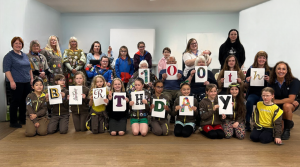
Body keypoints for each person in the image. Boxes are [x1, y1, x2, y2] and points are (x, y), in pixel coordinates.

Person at [3, 37, 33, 128]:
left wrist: (31, 79)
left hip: (26, 82)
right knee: (15, 101)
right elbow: (6, 70)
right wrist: (12, 81)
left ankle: (23, 119)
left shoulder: (24, 55)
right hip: (15, 82)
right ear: (12, 44)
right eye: (16, 43)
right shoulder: (9, 56)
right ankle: (13, 122)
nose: (18, 45)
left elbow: (29, 68)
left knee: (25, 101)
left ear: (22, 45)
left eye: (20, 43)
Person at [268, 61, 300, 140]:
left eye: (283, 69)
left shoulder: (294, 81)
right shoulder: (271, 82)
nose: (281, 71)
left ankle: (287, 130)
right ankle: (288, 122)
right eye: (279, 69)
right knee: (276, 128)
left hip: (291, 105)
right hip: (277, 105)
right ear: (275, 70)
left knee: (286, 106)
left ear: (287, 71)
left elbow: (291, 99)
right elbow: (271, 99)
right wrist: (275, 101)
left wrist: (276, 101)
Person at [244, 51, 271, 131]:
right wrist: (247, 81)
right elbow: (246, 86)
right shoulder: (251, 69)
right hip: (253, 93)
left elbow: (272, 85)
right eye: (260, 57)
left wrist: (269, 80)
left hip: (264, 94)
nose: (261, 59)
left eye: (264, 58)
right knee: (249, 102)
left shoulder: (269, 70)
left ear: (266, 59)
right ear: (256, 58)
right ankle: (247, 122)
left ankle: (260, 122)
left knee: (261, 103)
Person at [159, 56, 184, 123]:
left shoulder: (180, 72)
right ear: (167, 63)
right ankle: (166, 116)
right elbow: (159, 83)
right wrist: (163, 79)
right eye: (169, 62)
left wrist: (180, 77)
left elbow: (183, 82)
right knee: (166, 98)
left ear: (175, 62)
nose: (171, 63)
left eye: (173, 61)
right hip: (166, 90)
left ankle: (177, 115)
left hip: (177, 89)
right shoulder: (162, 71)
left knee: (181, 97)